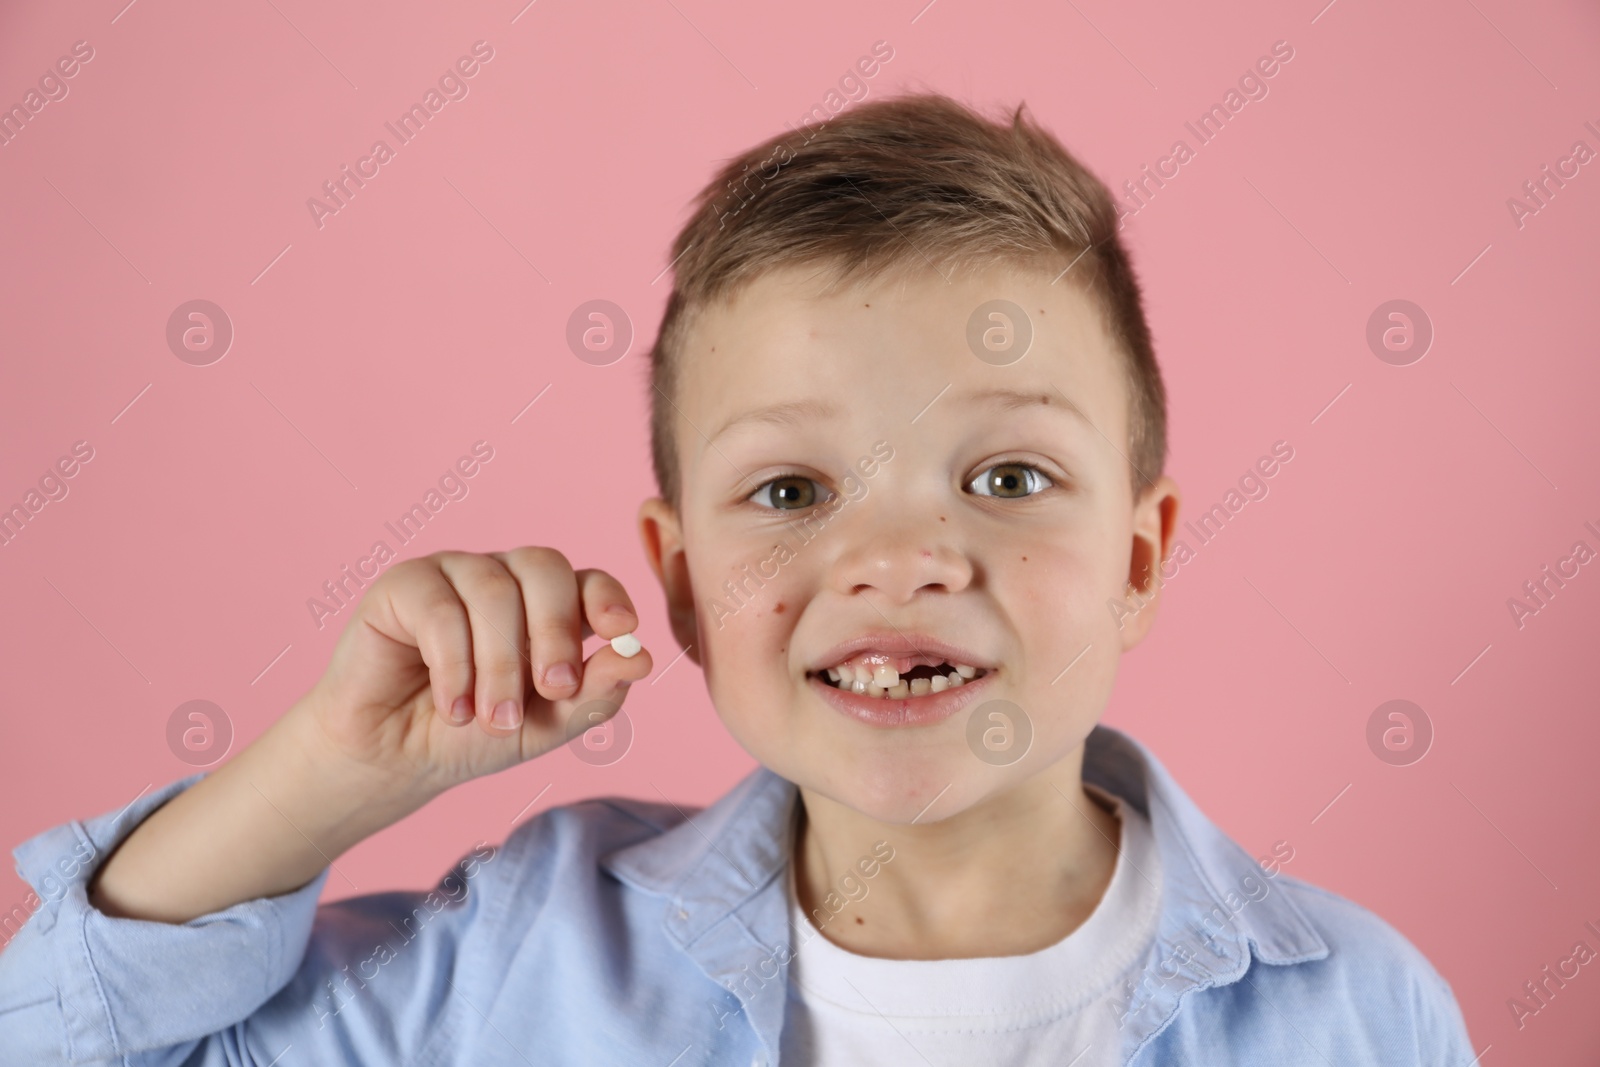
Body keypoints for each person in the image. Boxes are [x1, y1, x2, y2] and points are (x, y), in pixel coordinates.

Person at [0, 91, 1475, 1066]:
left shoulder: (1354, 1008)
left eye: (1009, 479)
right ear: (686, 587)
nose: (898, 559)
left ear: (1139, 559)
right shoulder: (525, 954)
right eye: (792, 491)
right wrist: (328, 770)